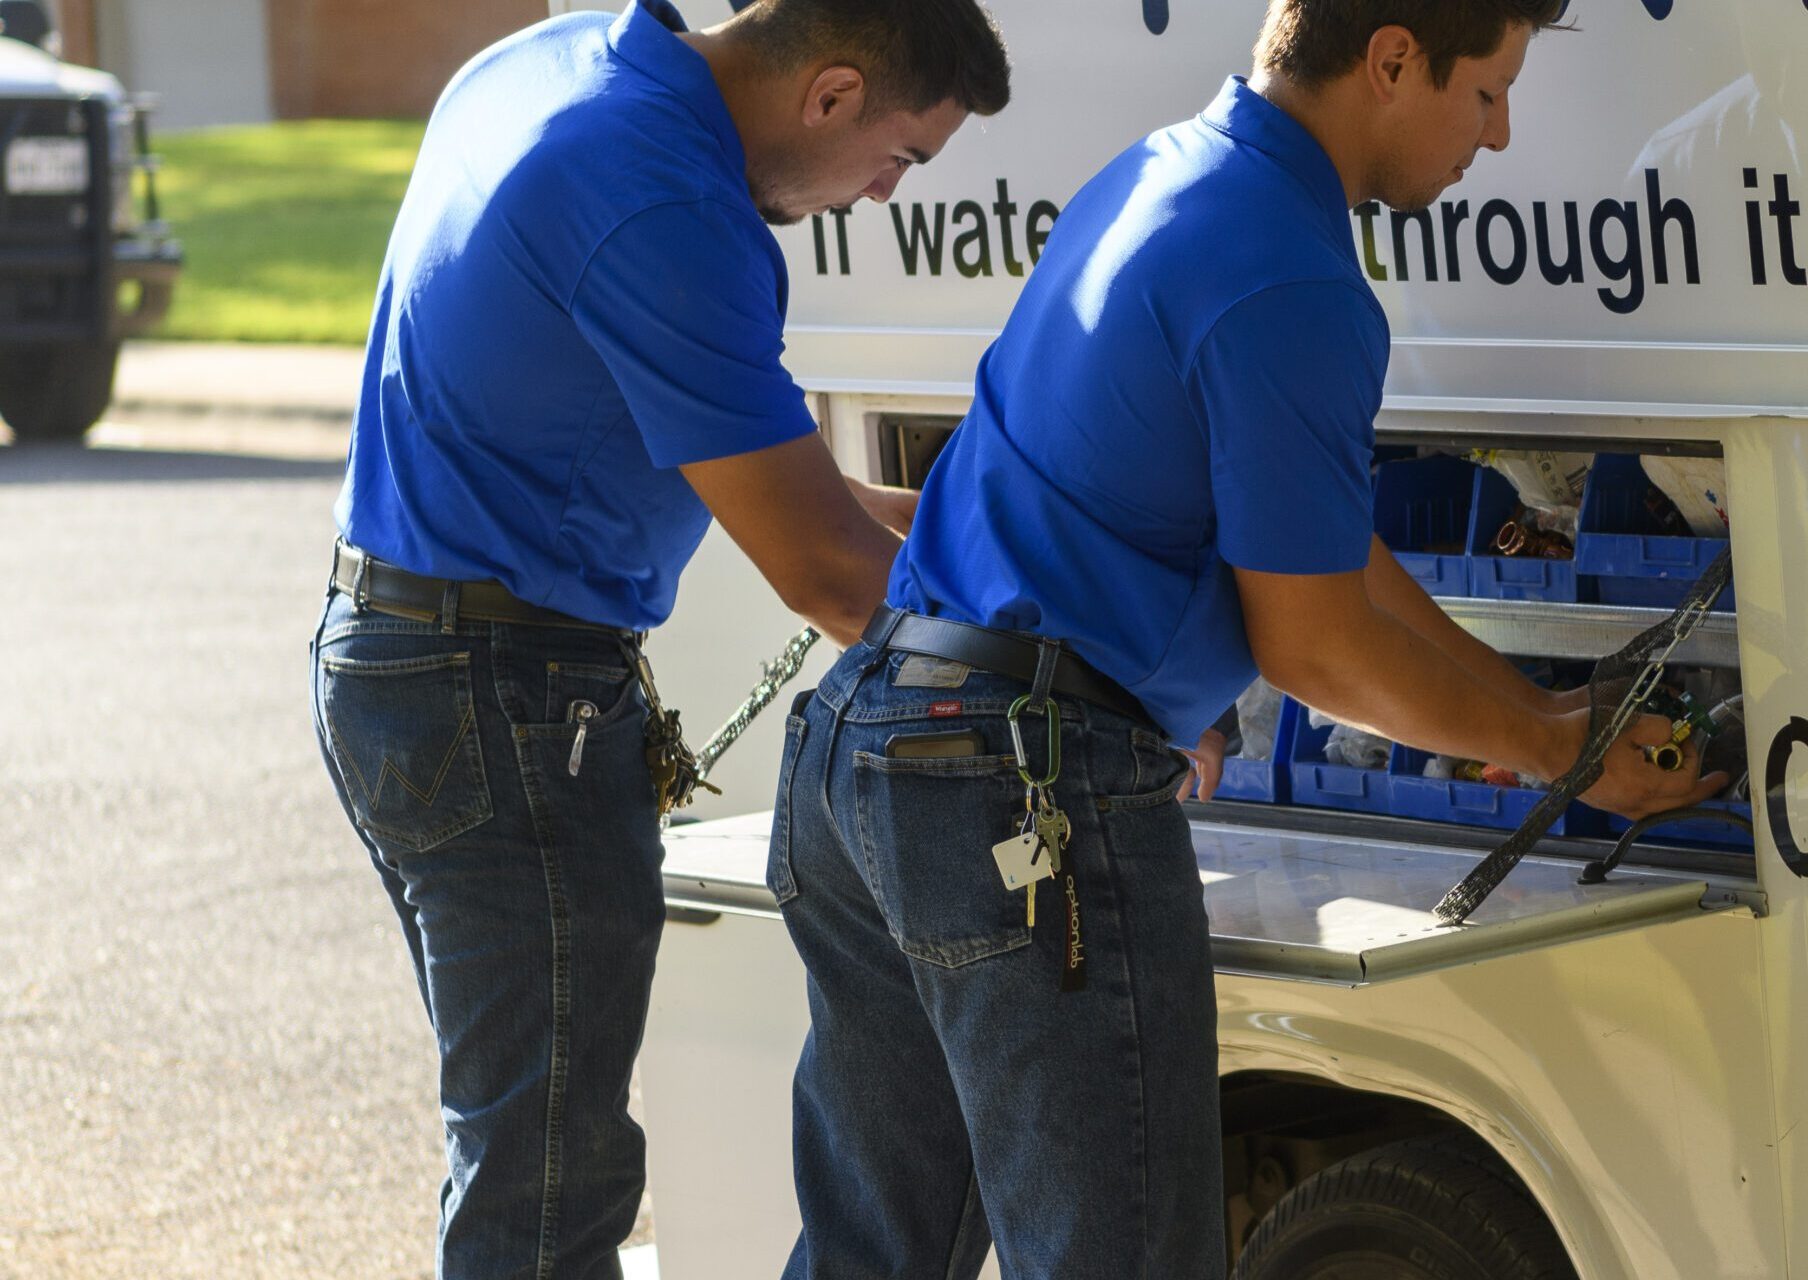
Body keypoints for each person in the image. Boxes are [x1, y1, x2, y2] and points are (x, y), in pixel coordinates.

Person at [768, 2, 1721, 1275]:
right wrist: (1561, 756)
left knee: (869, 1256)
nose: (1496, 140)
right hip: (1023, 785)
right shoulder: (1293, 275)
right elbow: (1316, 644)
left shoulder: (1160, 175)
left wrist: (1544, 714)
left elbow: (1325, 545)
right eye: (1486, 93)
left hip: (870, 742)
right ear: (1391, 59)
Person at [306, 1, 1008, 1275]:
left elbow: (799, 487)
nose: (876, 195)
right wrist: (1094, 669)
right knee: (548, 1181)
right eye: (901, 160)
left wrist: (997, 554)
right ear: (835, 94)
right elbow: (828, 573)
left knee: (523, 1143)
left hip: (414, 658)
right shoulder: (667, 205)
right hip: (504, 698)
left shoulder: (564, 61)